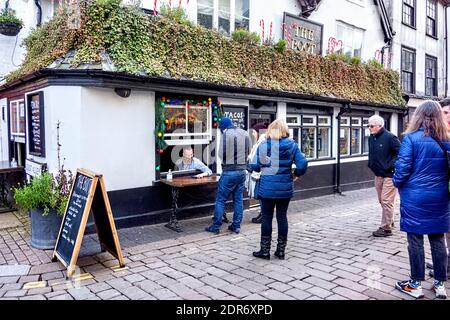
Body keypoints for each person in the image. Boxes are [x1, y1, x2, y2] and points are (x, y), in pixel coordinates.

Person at [393, 100, 450, 299]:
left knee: (415, 239)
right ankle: (440, 285)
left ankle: (415, 283)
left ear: (418, 115)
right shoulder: (447, 140)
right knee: (438, 240)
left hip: (415, 197)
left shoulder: (411, 139)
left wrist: (398, 183)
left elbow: (401, 170)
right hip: (440, 197)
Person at [249, 119, 308, 260]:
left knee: (267, 218)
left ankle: (264, 251)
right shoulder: (292, 145)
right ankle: (280, 251)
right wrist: (296, 175)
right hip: (285, 188)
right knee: (282, 217)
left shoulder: (264, 145)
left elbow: (255, 166)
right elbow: (303, 163)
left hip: (267, 188)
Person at [205, 117, 250, 234]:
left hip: (229, 172)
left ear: (224, 126)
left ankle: (216, 226)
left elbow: (220, 154)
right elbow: (248, 151)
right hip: (242, 172)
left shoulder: (226, 134)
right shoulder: (245, 133)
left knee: (220, 200)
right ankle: (236, 226)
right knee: (238, 199)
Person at [427, 98, 450, 281]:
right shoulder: (441, 135)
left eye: (448, 113)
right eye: (443, 113)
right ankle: (443, 262)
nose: (446, 117)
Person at [367, 115, 401, 237]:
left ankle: (386, 228)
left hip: (390, 174)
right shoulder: (372, 138)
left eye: (371, 126)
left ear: (380, 126)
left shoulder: (390, 138)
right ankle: (390, 221)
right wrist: (370, 164)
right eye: (368, 126)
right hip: (378, 174)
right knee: (382, 200)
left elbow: (400, 153)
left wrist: (389, 165)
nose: (369, 128)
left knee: (386, 200)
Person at [248, 122, 268, 224]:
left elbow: (260, 159)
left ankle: (264, 215)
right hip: (260, 172)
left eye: (254, 132)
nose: (253, 134)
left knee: (261, 195)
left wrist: (252, 167)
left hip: (261, 173)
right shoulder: (260, 142)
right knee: (260, 195)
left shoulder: (262, 142)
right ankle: (262, 214)